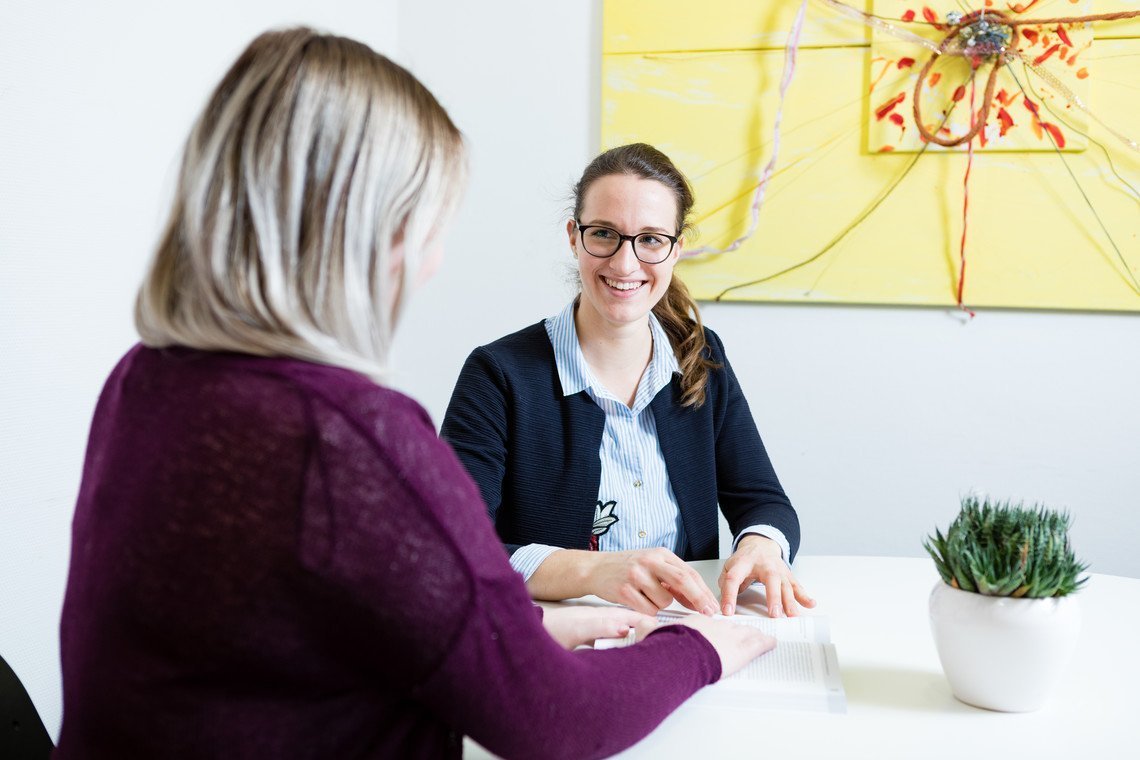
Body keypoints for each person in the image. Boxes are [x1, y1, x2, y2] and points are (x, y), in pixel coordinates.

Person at [54, 30, 776, 759]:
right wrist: (696, 646)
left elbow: (303, 632)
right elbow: (554, 721)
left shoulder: (144, 379)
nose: (431, 261)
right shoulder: (349, 441)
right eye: (426, 224)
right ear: (360, 232)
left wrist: (524, 631)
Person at [441, 143, 815, 620]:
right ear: (574, 237)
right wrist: (593, 571)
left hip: (687, 624)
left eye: (651, 239)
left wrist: (762, 543)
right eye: (604, 234)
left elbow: (762, 500)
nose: (624, 263)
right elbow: (454, 541)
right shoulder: (497, 374)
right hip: (556, 633)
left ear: (676, 249)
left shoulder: (701, 355)